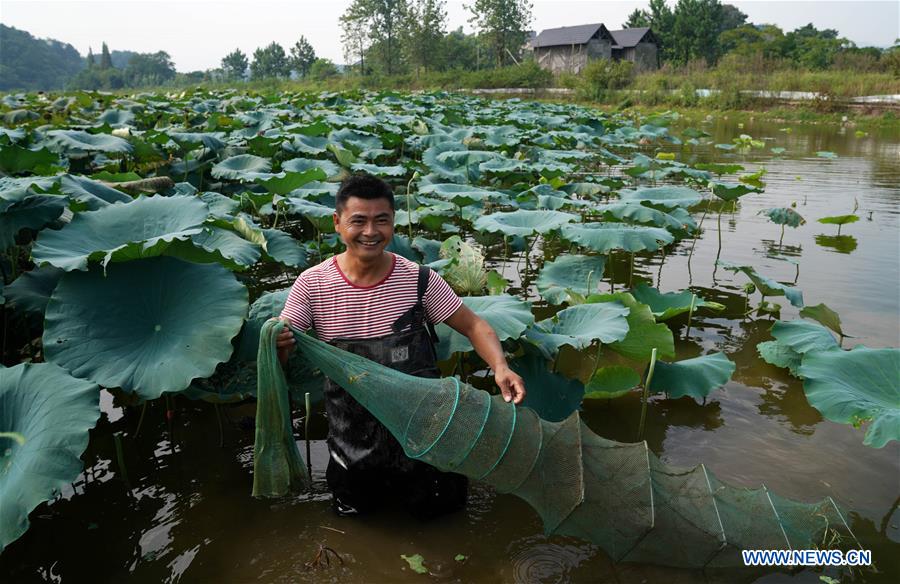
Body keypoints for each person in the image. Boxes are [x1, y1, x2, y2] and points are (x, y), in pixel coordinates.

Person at [276, 173, 526, 519]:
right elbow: (282, 355)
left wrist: (500, 366)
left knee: (443, 521)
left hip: (427, 440)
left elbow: (474, 325)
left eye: (382, 220)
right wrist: (280, 343)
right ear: (337, 223)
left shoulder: (419, 279)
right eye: (358, 221)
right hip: (354, 445)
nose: (370, 232)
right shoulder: (313, 285)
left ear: (394, 221)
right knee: (361, 527)